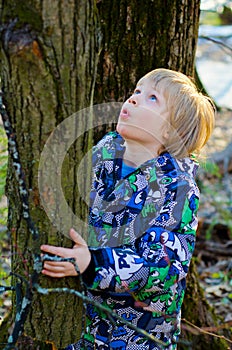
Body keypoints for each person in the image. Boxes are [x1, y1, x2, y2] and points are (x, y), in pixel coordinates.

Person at [40, 68, 215, 349]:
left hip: (140, 333)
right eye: (136, 91)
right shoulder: (104, 153)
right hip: (88, 322)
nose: (133, 99)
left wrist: (91, 264)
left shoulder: (176, 188)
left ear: (171, 130)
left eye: (152, 98)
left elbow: (162, 265)